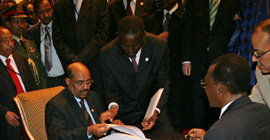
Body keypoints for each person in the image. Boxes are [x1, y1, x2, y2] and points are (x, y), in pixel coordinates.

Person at [99, 16, 170, 130]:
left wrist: (155, 112)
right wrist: (113, 108)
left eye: (135, 45)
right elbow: (110, 88)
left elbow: (163, 83)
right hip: (124, 110)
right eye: (125, 45)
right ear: (118, 37)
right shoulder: (108, 53)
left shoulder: (159, 47)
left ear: (143, 36)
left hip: (153, 107)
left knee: (167, 136)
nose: (131, 50)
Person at [182, 0, 240, 129]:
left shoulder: (235, 2)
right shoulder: (195, 2)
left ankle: (216, 132)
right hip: (198, 58)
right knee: (198, 97)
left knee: (221, 95)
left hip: (222, 57)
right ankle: (197, 132)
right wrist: (186, 59)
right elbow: (188, 27)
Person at [143, 0, 193, 130]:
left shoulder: (185, 17)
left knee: (177, 108)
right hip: (158, 69)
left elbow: (188, 41)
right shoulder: (153, 19)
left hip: (177, 68)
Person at [52, 0, 109, 96]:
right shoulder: (59, 5)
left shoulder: (99, 3)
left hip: (93, 63)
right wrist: (73, 59)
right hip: (70, 65)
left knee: (95, 101)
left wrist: (82, 58)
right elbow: (57, 38)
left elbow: (102, 34)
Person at [1, 4, 48, 89]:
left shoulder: (30, 43)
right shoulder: (7, 48)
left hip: (40, 90)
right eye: (16, 22)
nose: (21, 25)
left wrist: (44, 87)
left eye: (23, 21)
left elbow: (41, 69)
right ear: (8, 24)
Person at [25, 0, 66, 87]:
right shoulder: (31, 33)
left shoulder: (63, 27)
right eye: (41, 12)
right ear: (36, 14)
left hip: (65, 78)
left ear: (52, 9)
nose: (46, 15)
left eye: (48, 10)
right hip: (46, 81)